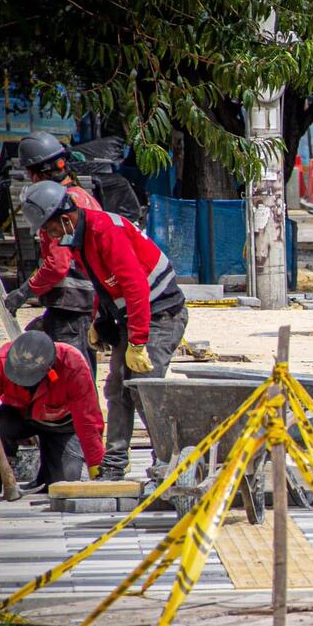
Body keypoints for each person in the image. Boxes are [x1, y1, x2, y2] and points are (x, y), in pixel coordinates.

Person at [21, 180, 187, 480]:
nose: (50, 235)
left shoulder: (105, 231)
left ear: (64, 217)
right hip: (133, 317)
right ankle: (114, 462)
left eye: (50, 228)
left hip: (161, 314)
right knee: (118, 387)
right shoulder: (80, 238)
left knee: (144, 388)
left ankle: (167, 461)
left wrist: (138, 342)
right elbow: (103, 282)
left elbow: (135, 286)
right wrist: (99, 319)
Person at [4, 133, 104, 372]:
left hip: (72, 305)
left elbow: (58, 264)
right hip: (87, 301)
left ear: (37, 174)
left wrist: (23, 292)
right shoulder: (82, 196)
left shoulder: (57, 207)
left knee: (73, 372)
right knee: (81, 367)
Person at [0, 331, 104, 493]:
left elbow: (88, 421)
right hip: (19, 415)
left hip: (61, 424)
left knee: (63, 485)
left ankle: (48, 476)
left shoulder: (72, 364)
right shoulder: (1, 361)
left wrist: (96, 470)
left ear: (49, 370)